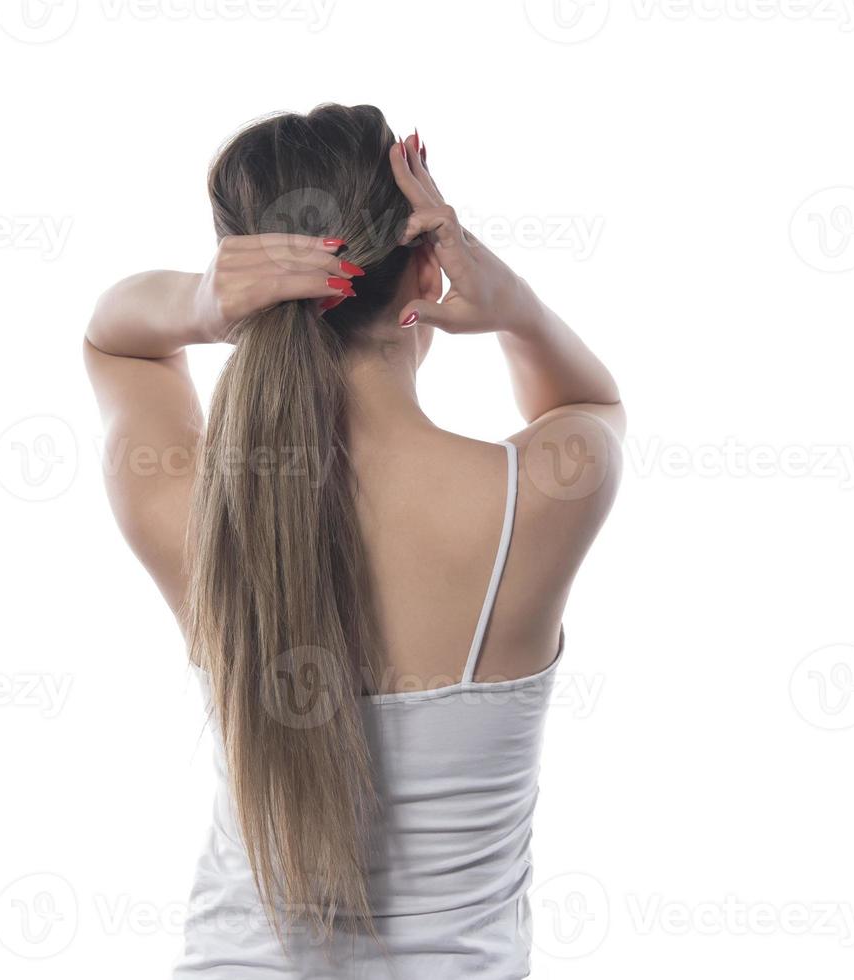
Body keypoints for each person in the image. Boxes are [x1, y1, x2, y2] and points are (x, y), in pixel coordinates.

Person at [84, 103, 624, 978]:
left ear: (240, 280)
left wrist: (195, 300)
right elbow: (591, 406)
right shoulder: (536, 499)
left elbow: (114, 340)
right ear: (428, 269)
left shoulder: (190, 508)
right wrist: (516, 307)